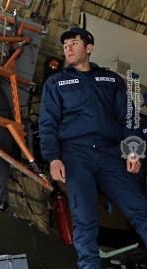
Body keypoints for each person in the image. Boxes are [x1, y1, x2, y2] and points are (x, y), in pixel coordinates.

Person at [38, 27, 147, 269]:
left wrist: (133, 150)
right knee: (84, 216)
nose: (68, 48)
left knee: (140, 207)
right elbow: (47, 123)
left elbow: (129, 117)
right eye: (65, 44)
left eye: (74, 43)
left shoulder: (111, 80)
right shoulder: (56, 83)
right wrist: (53, 158)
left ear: (89, 48)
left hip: (110, 153)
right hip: (76, 154)